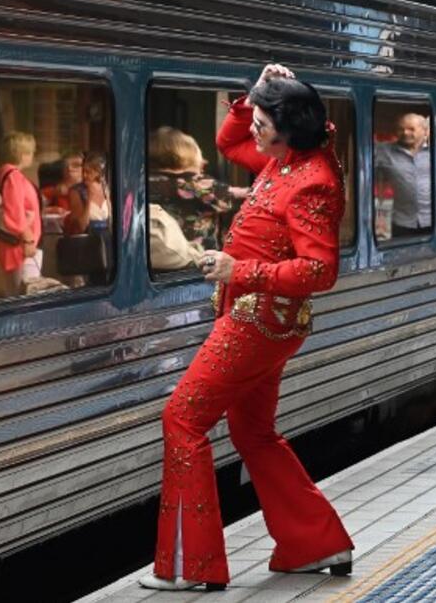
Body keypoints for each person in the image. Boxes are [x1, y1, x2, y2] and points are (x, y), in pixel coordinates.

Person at [140, 64, 354, 592]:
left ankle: (192, 566)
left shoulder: (312, 182)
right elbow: (227, 139)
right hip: (256, 318)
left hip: (257, 320)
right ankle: (315, 542)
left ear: (287, 126)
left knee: (182, 419)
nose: (251, 125)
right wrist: (259, 88)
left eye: (261, 117)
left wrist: (242, 271)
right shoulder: (285, 162)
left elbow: (320, 270)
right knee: (252, 432)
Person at [147, 127, 248, 250]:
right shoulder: (193, 183)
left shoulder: (144, 183)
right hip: (198, 258)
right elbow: (232, 196)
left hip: (164, 255)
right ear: (184, 156)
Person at [0, 132, 42, 296]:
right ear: (22, 154)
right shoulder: (14, 177)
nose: (32, 155)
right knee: (21, 294)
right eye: (30, 152)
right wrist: (28, 239)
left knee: (15, 291)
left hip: (15, 244)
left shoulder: (5, 174)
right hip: (19, 245)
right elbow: (15, 213)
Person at [374, 113, 431, 238]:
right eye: (401, 129)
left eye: (411, 129)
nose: (405, 132)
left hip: (435, 221)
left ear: (425, 131)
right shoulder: (384, 151)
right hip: (403, 223)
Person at [41, 151, 84, 216]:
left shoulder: (91, 188)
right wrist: (50, 210)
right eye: (65, 165)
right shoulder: (54, 190)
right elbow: (33, 207)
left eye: (76, 165)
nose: (69, 168)